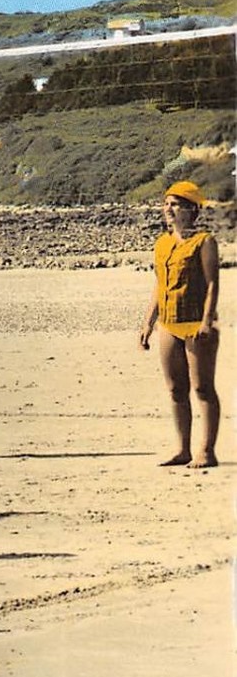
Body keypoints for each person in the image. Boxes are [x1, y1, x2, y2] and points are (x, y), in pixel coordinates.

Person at [141, 181, 220, 468]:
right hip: (169, 324)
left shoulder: (204, 241)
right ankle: (183, 449)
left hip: (197, 325)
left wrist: (207, 321)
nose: (168, 209)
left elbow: (212, 284)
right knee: (176, 389)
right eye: (166, 204)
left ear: (191, 210)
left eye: (175, 204)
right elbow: (159, 285)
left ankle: (207, 451)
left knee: (202, 388)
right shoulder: (162, 243)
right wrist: (147, 323)